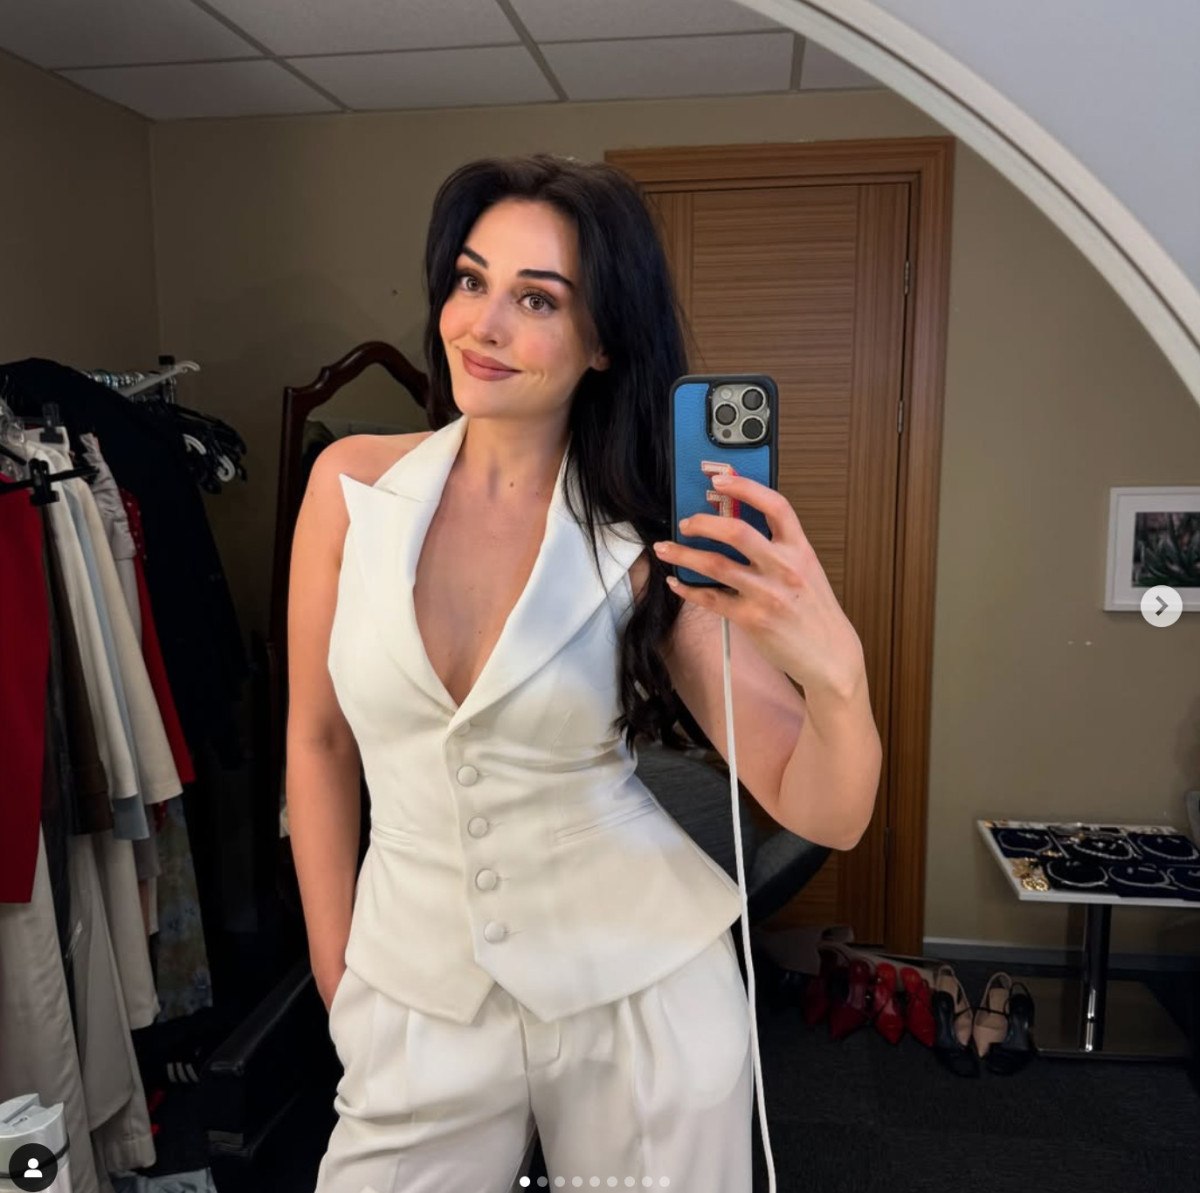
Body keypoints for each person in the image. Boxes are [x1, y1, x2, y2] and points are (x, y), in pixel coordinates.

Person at [286, 154, 881, 1193]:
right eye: (470, 281)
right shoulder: (350, 488)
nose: (482, 325)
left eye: (537, 299)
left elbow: (822, 806)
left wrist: (836, 669)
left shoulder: (648, 545)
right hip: (412, 984)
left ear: (602, 342)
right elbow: (318, 737)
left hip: (639, 993)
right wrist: (335, 964)